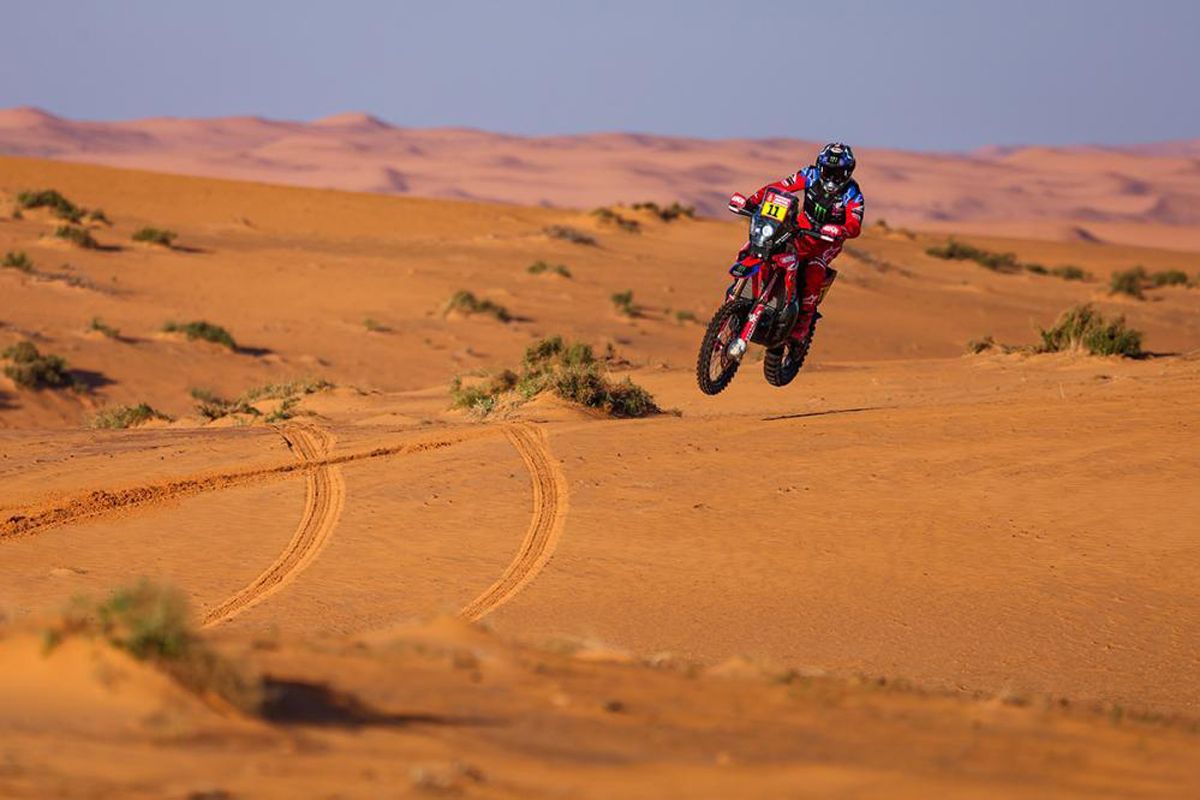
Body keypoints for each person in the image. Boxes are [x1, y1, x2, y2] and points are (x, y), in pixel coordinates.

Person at [733, 142, 864, 342]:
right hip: (801, 226)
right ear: (820, 167)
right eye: (828, 171)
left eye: (837, 173)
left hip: (828, 240)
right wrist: (752, 202)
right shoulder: (809, 175)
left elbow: (855, 225)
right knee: (762, 246)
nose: (831, 177)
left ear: (847, 172)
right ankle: (741, 298)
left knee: (813, 269)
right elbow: (779, 187)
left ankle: (803, 321)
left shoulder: (852, 193)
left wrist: (841, 229)